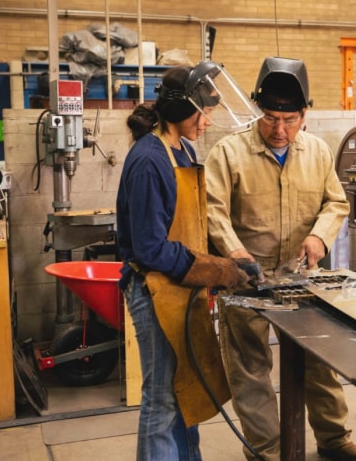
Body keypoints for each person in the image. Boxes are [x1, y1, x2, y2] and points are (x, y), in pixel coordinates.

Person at [205, 57, 356, 461]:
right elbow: (211, 208)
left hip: (303, 276)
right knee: (250, 367)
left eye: (289, 119)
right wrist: (233, 250)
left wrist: (319, 237)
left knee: (319, 359)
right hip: (247, 278)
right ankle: (266, 448)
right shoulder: (229, 153)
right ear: (259, 110)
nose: (279, 130)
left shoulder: (316, 152)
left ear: (305, 115)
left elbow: (335, 202)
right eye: (271, 118)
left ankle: (333, 439)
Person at [116, 62, 262, 461]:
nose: (209, 120)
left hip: (180, 288)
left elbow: (187, 230)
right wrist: (217, 269)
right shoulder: (150, 159)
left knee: (185, 394)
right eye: (205, 111)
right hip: (155, 289)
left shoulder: (182, 148)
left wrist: (228, 260)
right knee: (162, 399)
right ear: (182, 111)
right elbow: (150, 248)